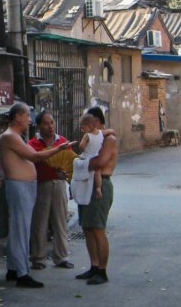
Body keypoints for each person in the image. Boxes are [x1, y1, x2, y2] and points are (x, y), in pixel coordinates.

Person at [0, 102, 71, 288]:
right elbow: (35, 156)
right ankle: (22, 273)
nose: (29, 121)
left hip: (25, 185)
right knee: (22, 230)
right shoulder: (10, 136)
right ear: (18, 117)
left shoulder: (16, 136)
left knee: (19, 229)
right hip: (19, 186)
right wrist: (59, 149)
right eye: (27, 116)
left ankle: (14, 268)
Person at [75, 106, 117, 285]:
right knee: (88, 227)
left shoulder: (109, 139)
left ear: (97, 122)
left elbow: (99, 162)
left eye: (89, 124)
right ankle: (94, 265)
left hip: (101, 183)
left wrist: (79, 163)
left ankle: (102, 269)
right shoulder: (94, 138)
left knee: (98, 228)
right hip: (86, 182)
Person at [28, 111, 75, 271]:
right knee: (39, 222)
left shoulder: (62, 142)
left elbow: (70, 164)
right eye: (46, 123)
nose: (50, 126)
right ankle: (38, 257)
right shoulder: (33, 144)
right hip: (41, 185)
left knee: (60, 221)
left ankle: (61, 256)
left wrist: (67, 174)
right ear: (39, 126)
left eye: (52, 122)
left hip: (59, 184)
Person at [69, 113, 104, 205]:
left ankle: (72, 192)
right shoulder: (101, 133)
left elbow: (82, 147)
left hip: (85, 158)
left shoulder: (87, 135)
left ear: (90, 126)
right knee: (97, 173)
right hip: (95, 158)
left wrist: (81, 144)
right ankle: (98, 188)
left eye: (83, 127)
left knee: (75, 174)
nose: (82, 130)